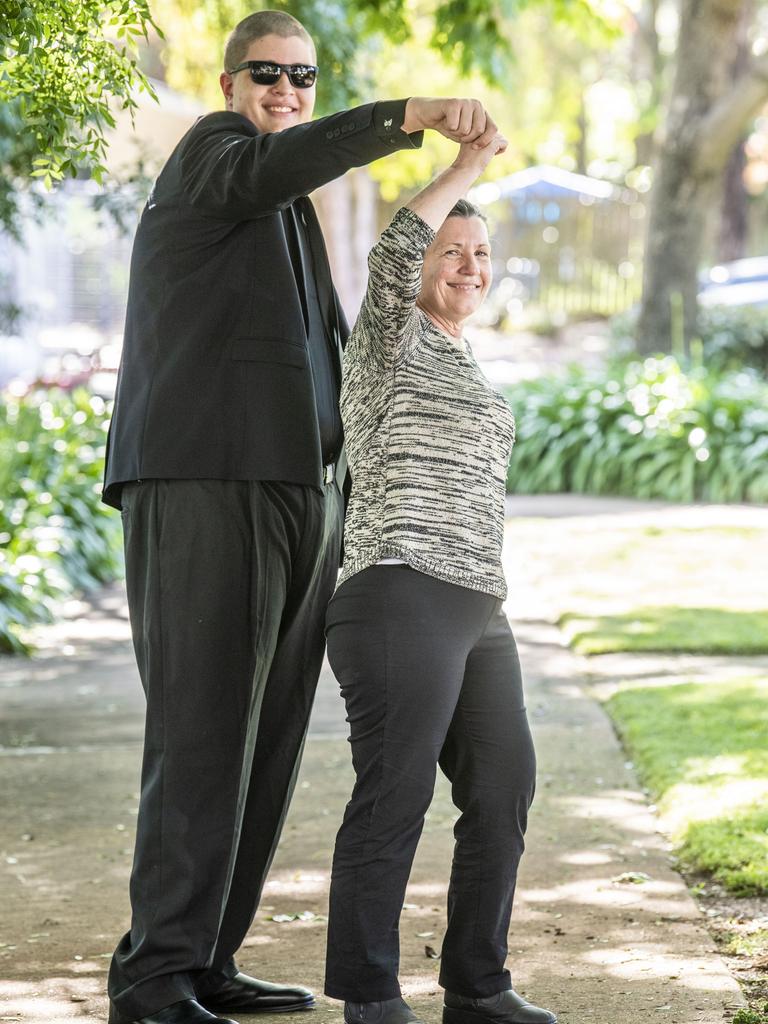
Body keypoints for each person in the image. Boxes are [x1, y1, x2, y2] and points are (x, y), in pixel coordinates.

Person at [101, 8, 502, 1024]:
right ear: (231, 82)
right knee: (201, 732)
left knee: (266, 741)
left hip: (294, 492)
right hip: (204, 482)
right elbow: (273, 166)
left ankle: (207, 958)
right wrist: (406, 115)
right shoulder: (215, 158)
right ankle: (153, 979)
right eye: (267, 74)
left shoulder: (283, 210)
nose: (285, 90)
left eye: (303, 77)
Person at [323, 137, 556, 1024]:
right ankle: (371, 996)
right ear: (419, 262)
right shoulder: (389, 337)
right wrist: (464, 167)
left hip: (474, 606)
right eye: (450, 250)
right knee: (394, 793)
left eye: (482, 254)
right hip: (397, 589)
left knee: (503, 786)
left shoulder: (461, 355)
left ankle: (476, 985)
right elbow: (390, 254)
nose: (469, 266)